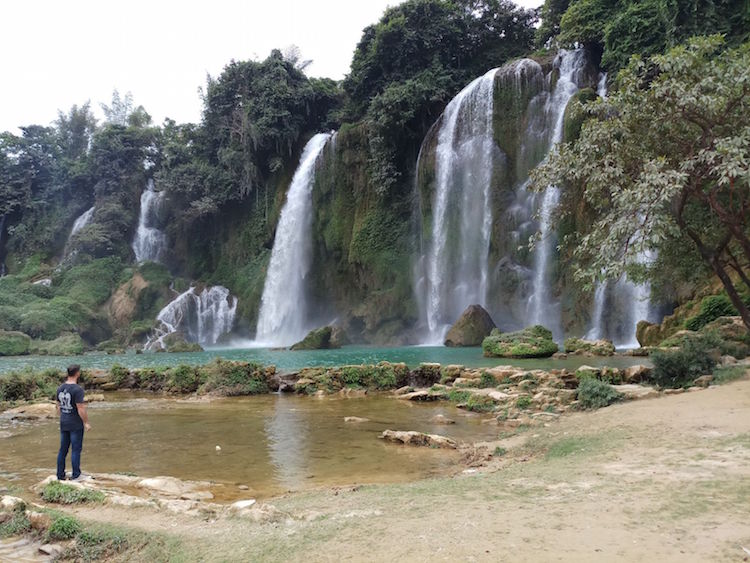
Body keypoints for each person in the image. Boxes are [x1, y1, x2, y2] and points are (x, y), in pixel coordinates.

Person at [56, 364, 91, 481]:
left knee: (63, 449)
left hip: (64, 422)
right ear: (77, 373)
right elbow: (80, 408)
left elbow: (58, 406)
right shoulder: (77, 389)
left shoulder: (60, 388)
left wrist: (62, 417)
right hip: (75, 423)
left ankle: (60, 475)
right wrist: (86, 422)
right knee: (76, 449)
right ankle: (76, 475)